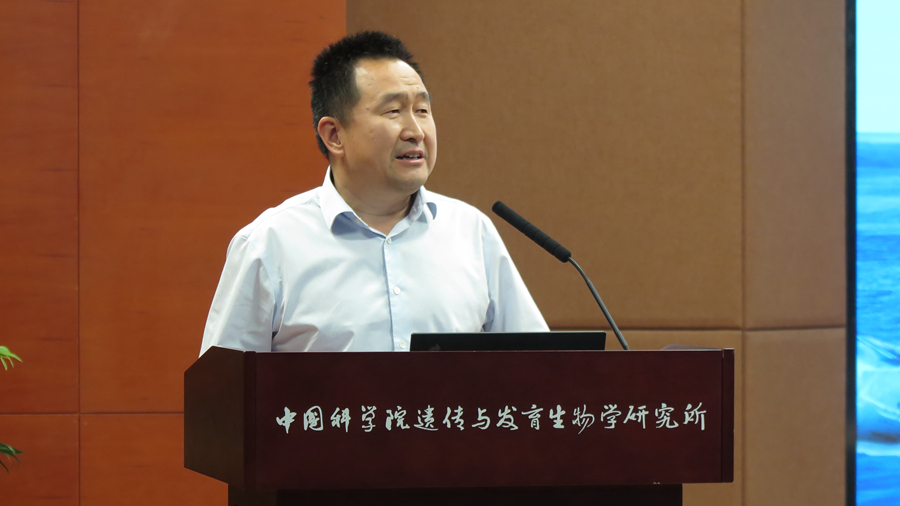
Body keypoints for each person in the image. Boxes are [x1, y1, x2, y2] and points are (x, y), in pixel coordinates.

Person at [200, 31, 547, 356]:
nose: (416, 131)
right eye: (393, 111)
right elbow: (223, 391)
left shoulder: (471, 232)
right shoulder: (269, 245)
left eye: (422, 110)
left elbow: (541, 370)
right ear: (334, 135)